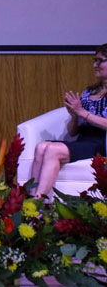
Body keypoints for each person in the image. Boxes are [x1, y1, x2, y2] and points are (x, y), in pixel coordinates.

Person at [31, 44, 107, 198]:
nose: (95, 65)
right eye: (94, 60)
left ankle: (37, 201)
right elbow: (73, 132)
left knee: (52, 150)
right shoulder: (89, 92)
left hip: (101, 143)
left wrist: (82, 112)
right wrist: (74, 116)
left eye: (100, 61)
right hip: (83, 141)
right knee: (41, 147)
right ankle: (31, 198)